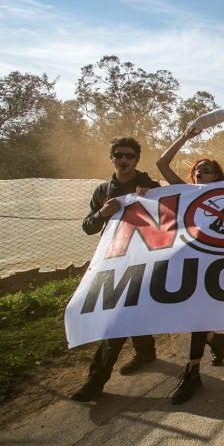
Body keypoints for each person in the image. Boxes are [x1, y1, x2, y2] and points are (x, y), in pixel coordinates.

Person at [71, 137, 161, 402]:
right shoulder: (102, 191)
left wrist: (151, 203)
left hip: (143, 260)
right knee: (126, 310)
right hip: (112, 261)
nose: (124, 160)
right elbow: (88, 227)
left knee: (118, 319)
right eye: (119, 155)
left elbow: (169, 221)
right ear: (112, 158)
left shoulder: (150, 187)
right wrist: (101, 214)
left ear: (136, 160)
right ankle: (145, 351)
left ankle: (94, 382)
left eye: (130, 156)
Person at [155, 129, 224, 404]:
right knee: (192, 315)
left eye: (207, 169)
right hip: (188, 261)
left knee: (198, 314)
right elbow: (161, 165)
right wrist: (185, 137)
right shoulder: (185, 192)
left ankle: (192, 373)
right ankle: (214, 339)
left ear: (217, 176)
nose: (201, 172)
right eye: (198, 169)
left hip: (215, 263)